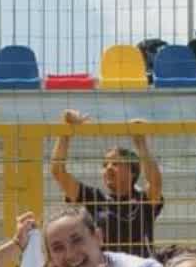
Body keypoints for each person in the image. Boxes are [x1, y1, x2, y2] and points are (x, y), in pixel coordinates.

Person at [51, 110, 164, 258]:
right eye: (105, 164)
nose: (108, 168)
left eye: (116, 163)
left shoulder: (143, 200)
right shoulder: (94, 198)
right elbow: (58, 172)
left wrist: (140, 142)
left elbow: (155, 182)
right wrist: (65, 131)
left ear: (133, 172)